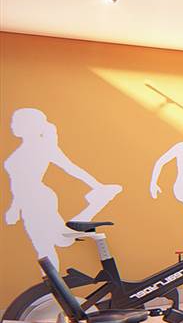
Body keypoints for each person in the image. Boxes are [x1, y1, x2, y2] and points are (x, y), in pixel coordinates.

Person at [4, 108, 121, 265]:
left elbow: (70, 168)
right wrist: (15, 208)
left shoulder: (44, 147)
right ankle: (54, 284)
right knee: (47, 246)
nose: (12, 125)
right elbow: (19, 184)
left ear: (30, 125)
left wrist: (97, 186)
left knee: (57, 242)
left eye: (17, 122)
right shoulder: (21, 152)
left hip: (40, 198)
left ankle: (98, 204)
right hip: (28, 202)